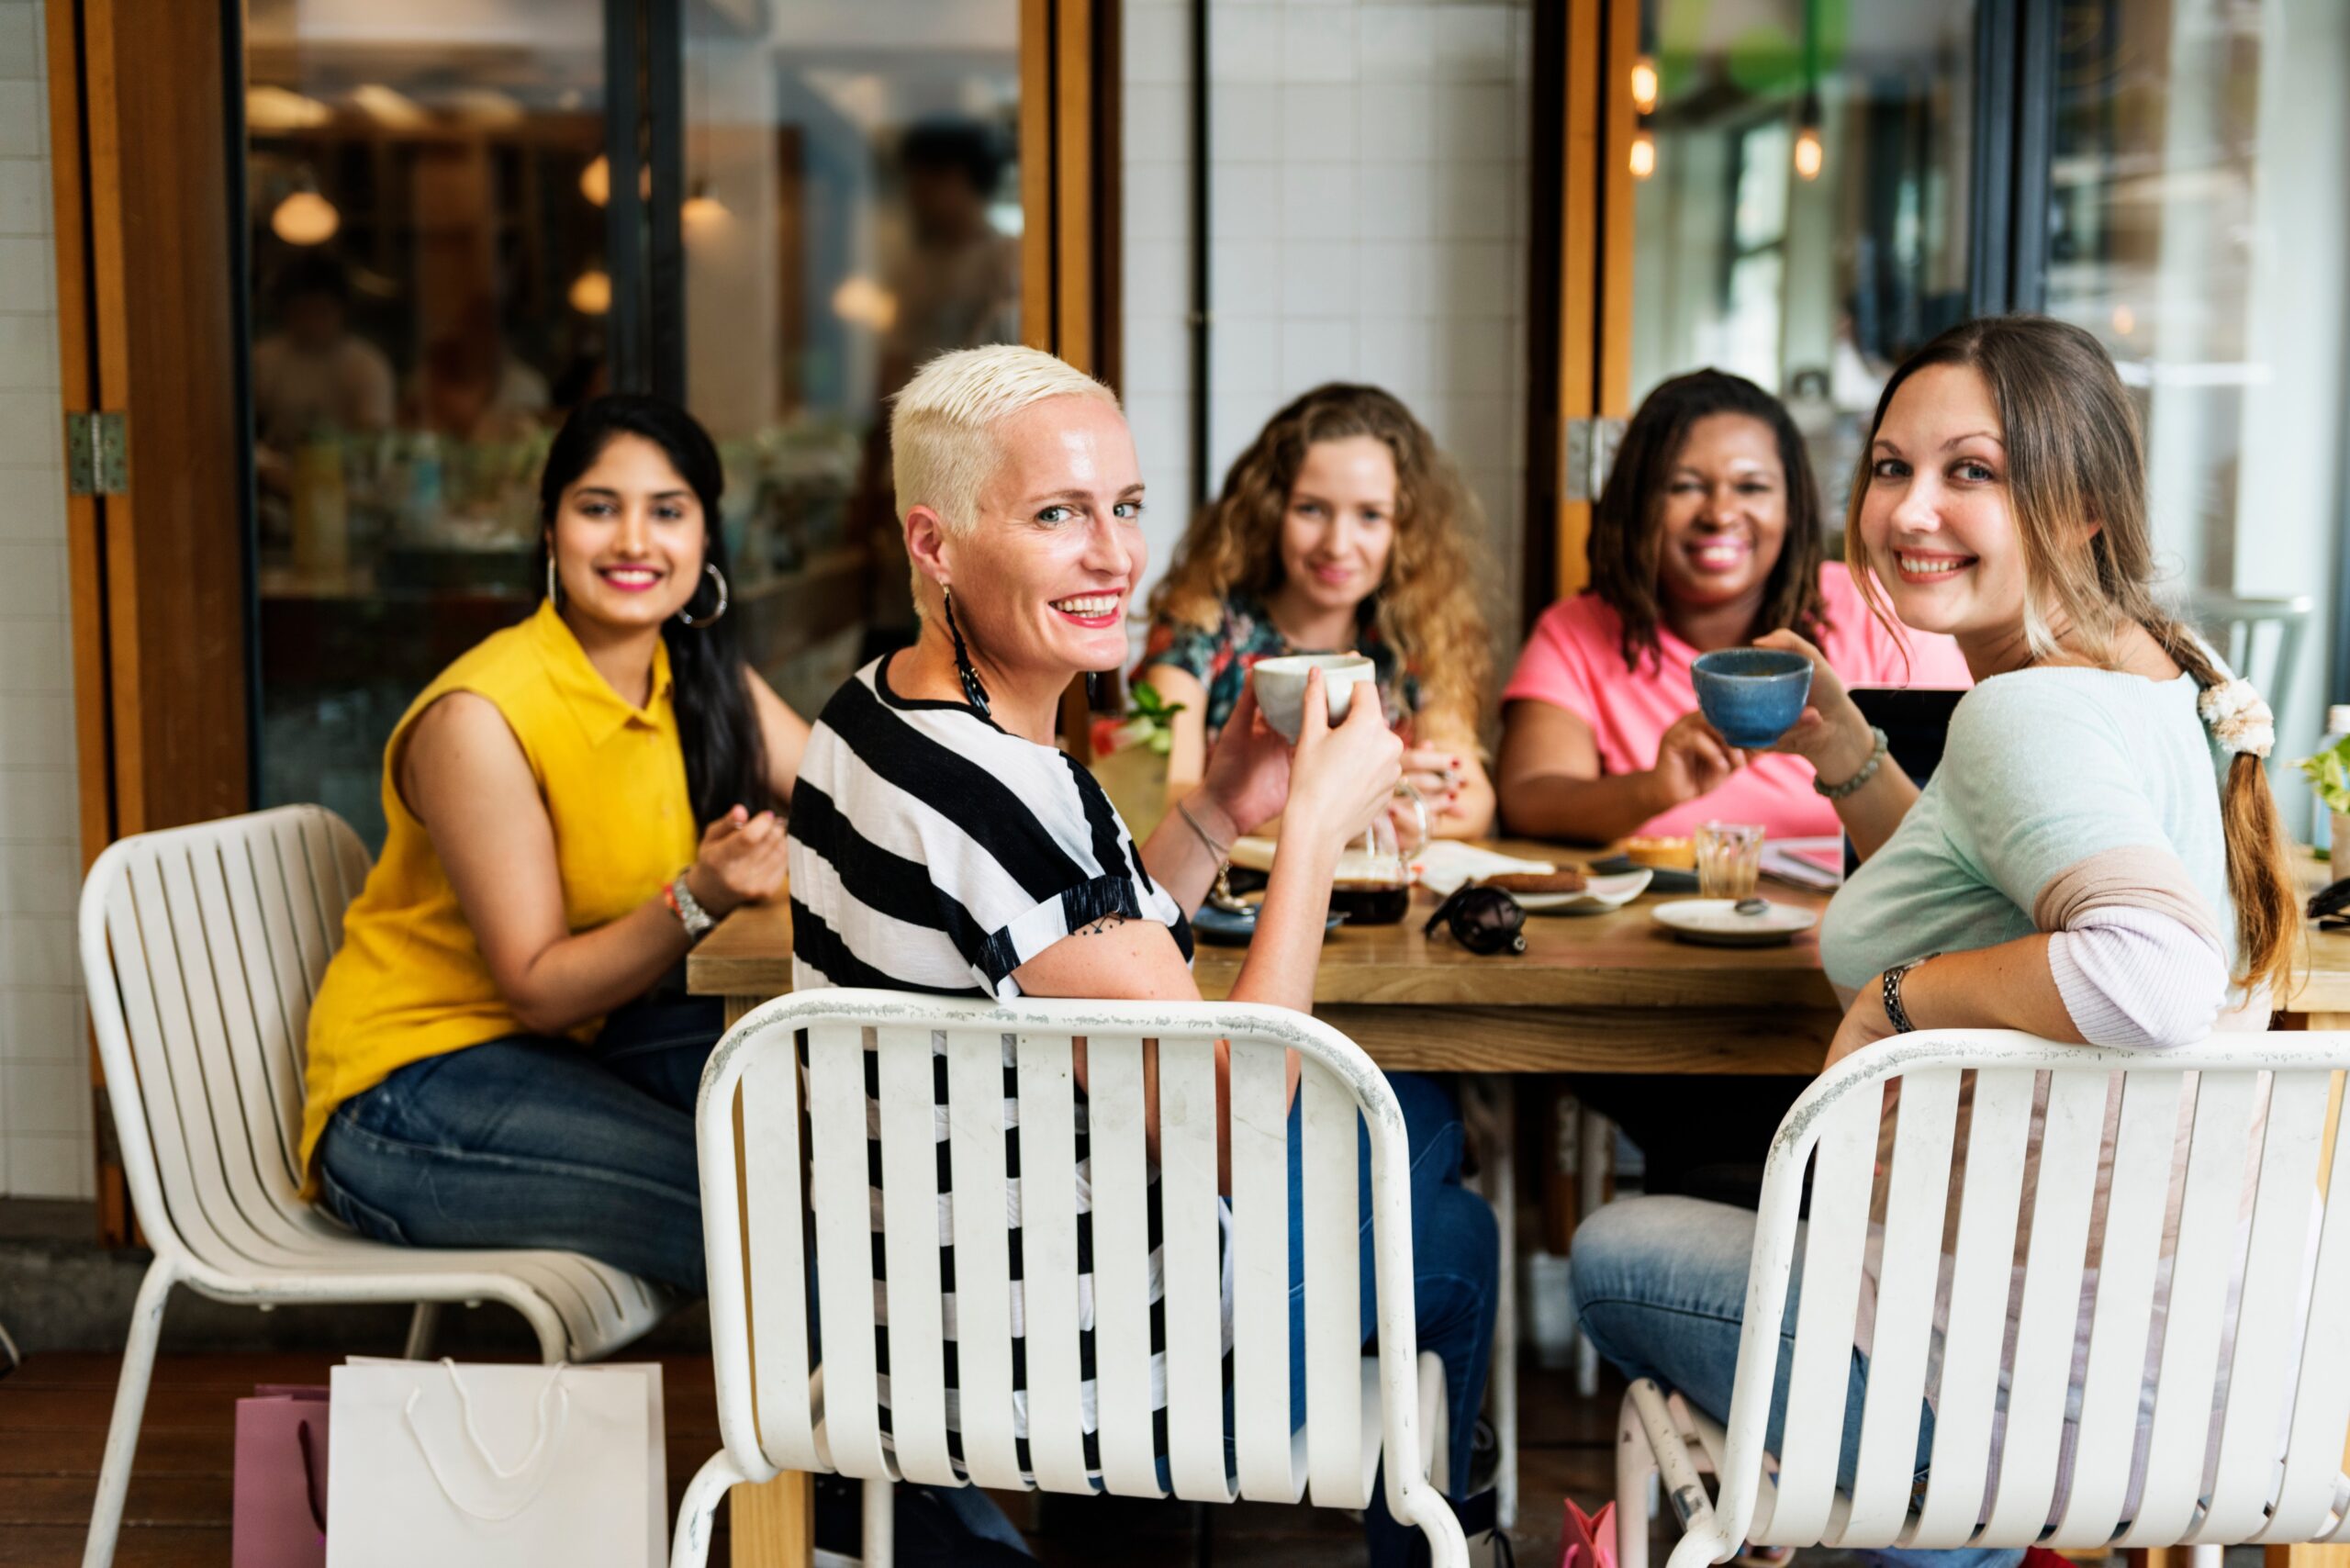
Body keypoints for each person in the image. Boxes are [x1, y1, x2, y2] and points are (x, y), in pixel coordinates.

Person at [1570, 315, 2300, 1565]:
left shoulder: (2026, 712)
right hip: (2182, 1386)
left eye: (1973, 472)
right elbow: (1981, 881)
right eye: (1890, 466)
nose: (1911, 510)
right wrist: (1845, 751)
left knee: (1610, 1250)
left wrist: (1901, 998)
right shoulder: (2165, 678)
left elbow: (2155, 972)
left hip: (1997, 1391)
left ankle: (1905, 1522)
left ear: (2082, 506)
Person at [790, 345, 1500, 1565]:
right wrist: (1314, 831)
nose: (1115, 555)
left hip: (906, 1314)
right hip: (1081, 1359)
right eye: (1056, 515)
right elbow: (1238, 1133)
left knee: (1435, 1178)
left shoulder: (865, 717)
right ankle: (1452, 1541)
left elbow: (1085, 962)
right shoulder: (1014, 805)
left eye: (1123, 506)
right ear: (934, 543)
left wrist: (1219, 807)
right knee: (1437, 1172)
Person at [300, 395, 811, 1294]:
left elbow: (852, 804)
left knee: (842, 1115)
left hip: (573, 1052)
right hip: (410, 1096)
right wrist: (701, 896)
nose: (633, 541)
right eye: (598, 507)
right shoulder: (480, 719)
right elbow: (537, 988)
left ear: (706, 537)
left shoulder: (697, 676)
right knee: (768, 1217)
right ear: (549, 529)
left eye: (667, 511)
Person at [1498, 369, 1970, 846]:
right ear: (1637, 503)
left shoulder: (1877, 610)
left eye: (1751, 488)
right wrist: (1654, 790)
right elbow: (1527, 801)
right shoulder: (1575, 632)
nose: (1719, 514)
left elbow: (1960, 800)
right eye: (1684, 486)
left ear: (1793, 506)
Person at [1137, 384, 1498, 839]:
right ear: (1270, 512)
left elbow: (1474, 800)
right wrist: (1357, 811)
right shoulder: (1200, 623)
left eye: (1370, 515)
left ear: (1405, 528)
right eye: (1311, 509)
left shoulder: (1419, 633)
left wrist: (1411, 806)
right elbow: (1166, 799)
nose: (1338, 545)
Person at [251, 253, 396, 491]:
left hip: (346, 487)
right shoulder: (263, 360)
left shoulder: (366, 365)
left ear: (342, 311)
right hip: (277, 484)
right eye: (300, 312)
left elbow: (373, 443)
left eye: (321, 312)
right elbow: (241, 433)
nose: (310, 323)